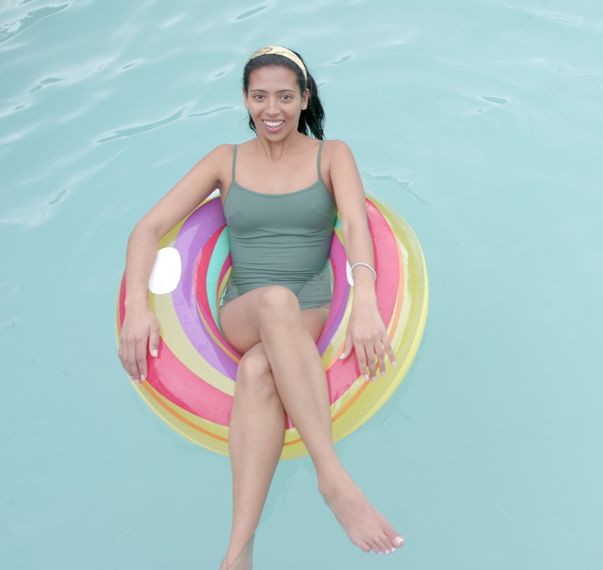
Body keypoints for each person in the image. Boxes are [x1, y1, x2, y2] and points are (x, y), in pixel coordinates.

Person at [116, 46, 404, 569]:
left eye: (285, 97)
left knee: (257, 372)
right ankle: (332, 478)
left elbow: (357, 227)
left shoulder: (331, 154)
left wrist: (365, 300)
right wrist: (138, 304)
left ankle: (236, 554)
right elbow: (148, 228)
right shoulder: (225, 160)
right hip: (243, 308)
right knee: (273, 301)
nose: (272, 109)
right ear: (246, 101)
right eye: (260, 96)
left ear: (305, 98)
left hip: (313, 304)